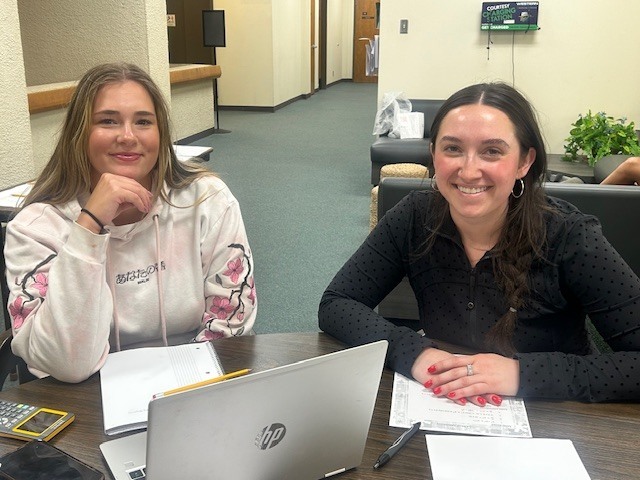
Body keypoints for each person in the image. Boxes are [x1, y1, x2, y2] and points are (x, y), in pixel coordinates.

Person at [319, 82, 640, 403]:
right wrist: (413, 353)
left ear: (524, 162)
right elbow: (337, 304)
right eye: (453, 148)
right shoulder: (414, 216)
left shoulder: (570, 235)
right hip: (443, 398)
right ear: (434, 155)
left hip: (555, 416)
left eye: (492, 151)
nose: (469, 170)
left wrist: (520, 374)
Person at [5, 63, 257, 383]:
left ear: (160, 133)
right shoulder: (36, 228)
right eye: (108, 121)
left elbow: (231, 328)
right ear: (79, 133)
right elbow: (67, 364)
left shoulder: (208, 202)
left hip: (191, 385)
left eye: (143, 122)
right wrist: (89, 227)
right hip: (84, 398)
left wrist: (178, 395)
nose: (127, 136)